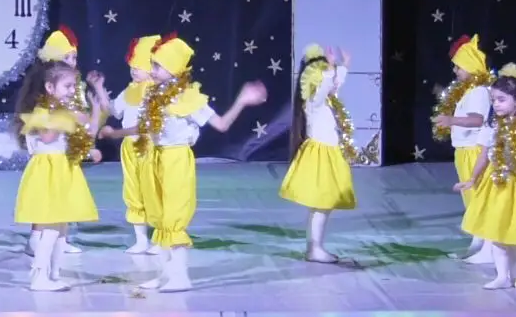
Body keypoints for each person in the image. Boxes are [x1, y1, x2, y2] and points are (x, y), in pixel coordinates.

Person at [135, 34, 266, 292]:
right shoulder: (155, 94)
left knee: (175, 216)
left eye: (158, 65)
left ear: (174, 69)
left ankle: (181, 276)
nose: (153, 70)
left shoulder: (189, 99)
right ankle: (164, 274)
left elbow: (222, 124)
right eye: (152, 64)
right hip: (156, 158)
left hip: (176, 159)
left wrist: (241, 101)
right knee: (160, 216)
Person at [454, 65, 516, 289]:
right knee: (497, 232)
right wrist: (472, 179)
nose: (496, 104)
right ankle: (502, 276)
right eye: (493, 100)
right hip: (496, 183)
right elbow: (483, 156)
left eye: (501, 100)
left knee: (515, 234)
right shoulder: (491, 126)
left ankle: (514, 275)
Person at [13, 62, 106, 291]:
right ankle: (39, 276)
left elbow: (88, 132)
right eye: (67, 86)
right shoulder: (42, 111)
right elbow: (47, 137)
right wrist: (66, 115)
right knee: (50, 226)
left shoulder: (64, 110)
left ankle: (54, 274)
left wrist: (94, 112)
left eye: (74, 86)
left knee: (62, 227)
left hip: (64, 167)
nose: (72, 91)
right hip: (48, 169)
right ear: (50, 87)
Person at [277, 43, 358, 263]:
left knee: (323, 206)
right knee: (321, 205)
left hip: (328, 154)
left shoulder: (326, 99)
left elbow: (334, 86)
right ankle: (315, 249)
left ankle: (315, 247)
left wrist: (344, 66)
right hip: (321, 156)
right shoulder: (314, 102)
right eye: (323, 76)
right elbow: (325, 88)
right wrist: (330, 69)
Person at [433, 33, 495, 262]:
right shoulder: (469, 90)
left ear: (470, 66)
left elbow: (477, 120)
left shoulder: (479, 92)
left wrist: (451, 120)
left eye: (459, 67)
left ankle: (488, 248)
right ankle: (478, 244)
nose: (455, 71)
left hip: (473, 151)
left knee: (479, 199)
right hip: (464, 151)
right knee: (472, 201)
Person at [98, 36, 163, 255]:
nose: (134, 71)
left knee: (153, 190)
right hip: (129, 147)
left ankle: (161, 238)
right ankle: (141, 240)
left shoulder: (158, 92)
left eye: (140, 66)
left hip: (149, 145)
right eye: (132, 66)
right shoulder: (130, 91)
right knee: (133, 191)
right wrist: (100, 90)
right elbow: (115, 111)